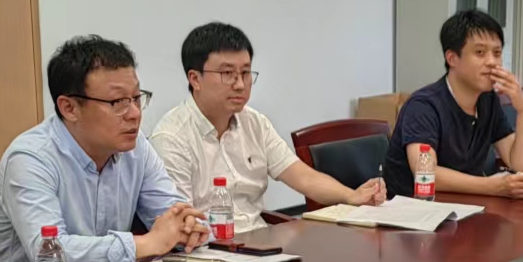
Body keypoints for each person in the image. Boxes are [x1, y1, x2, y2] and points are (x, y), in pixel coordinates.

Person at [0, 36, 207, 262]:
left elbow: (174, 215)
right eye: (118, 102)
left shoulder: (137, 148)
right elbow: (50, 252)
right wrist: (145, 244)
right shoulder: (31, 158)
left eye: (136, 98)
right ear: (69, 108)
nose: (135, 114)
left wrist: (188, 228)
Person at [151, 22, 386, 231]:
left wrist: (352, 196)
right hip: (207, 251)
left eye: (245, 73)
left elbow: (303, 177)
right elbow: (180, 222)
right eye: (227, 73)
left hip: (260, 243)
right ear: (195, 79)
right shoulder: (172, 137)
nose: (240, 84)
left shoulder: (255, 122)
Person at [381, 9, 523, 199]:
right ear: (452, 58)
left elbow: (520, 165)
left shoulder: (487, 100)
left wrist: (522, 109)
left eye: (497, 53)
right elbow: (426, 175)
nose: (492, 62)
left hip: (466, 206)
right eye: (480, 53)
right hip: (414, 209)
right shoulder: (423, 106)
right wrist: (493, 186)